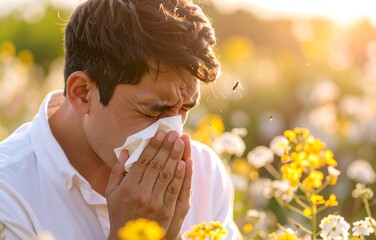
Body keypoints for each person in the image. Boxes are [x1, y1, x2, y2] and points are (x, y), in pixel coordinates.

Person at [0, 0, 241, 239]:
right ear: (82, 93)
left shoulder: (204, 173)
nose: (173, 134)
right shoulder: (9, 193)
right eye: (153, 112)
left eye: (185, 108)